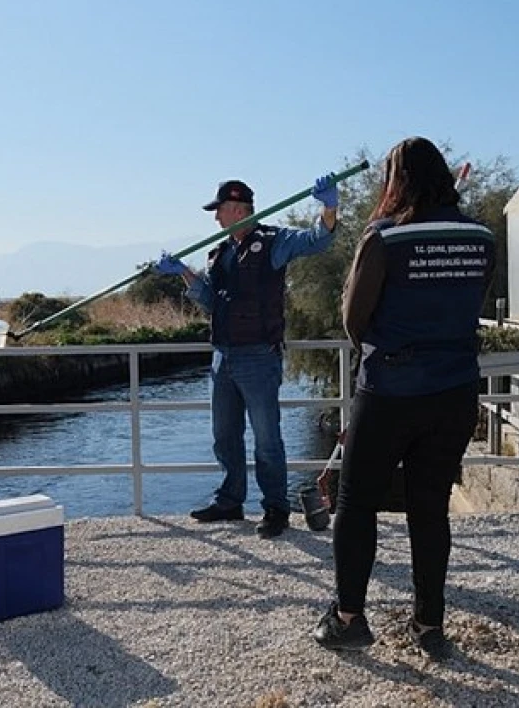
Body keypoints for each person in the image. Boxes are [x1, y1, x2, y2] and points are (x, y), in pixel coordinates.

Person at [311, 138, 495, 657]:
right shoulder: (480, 236)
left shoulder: (385, 237)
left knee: (356, 500)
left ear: (398, 179)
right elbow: (473, 299)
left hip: (390, 389)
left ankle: (348, 617)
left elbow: (353, 316)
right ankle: (429, 628)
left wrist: (380, 349)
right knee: (430, 507)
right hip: (455, 389)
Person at [153, 173, 339, 538]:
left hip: (259, 357)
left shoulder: (274, 242)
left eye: (219, 210)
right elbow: (210, 301)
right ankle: (230, 500)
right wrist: (184, 274)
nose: (215, 218)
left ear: (237, 209)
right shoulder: (218, 253)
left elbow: (317, 239)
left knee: (267, 438)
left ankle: (275, 508)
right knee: (224, 435)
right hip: (223, 357)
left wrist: (329, 207)